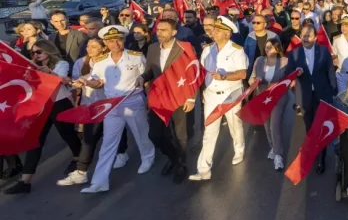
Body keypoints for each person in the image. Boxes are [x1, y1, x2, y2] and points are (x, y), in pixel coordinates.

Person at [73, 26, 154, 194]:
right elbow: (98, 81)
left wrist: (148, 100)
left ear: (123, 40)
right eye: (110, 41)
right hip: (112, 105)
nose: (115, 43)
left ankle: (147, 157)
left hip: (132, 102)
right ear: (105, 43)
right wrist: (86, 82)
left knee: (141, 134)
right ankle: (99, 182)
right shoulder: (102, 61)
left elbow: (146, 77)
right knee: (108, 144)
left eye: (118, 39)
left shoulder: (136, 56)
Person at [4, 40, 82, 194]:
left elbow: (60, 78)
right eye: (33, 53)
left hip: (59, 102)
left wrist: (48, 72)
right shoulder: (31, 67)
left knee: (68, 135)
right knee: (36, 140)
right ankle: (25, 181)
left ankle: (79, 160)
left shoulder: (61, 63)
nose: (35, 55)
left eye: (38, 52)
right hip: (42, 106)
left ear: (48, 50)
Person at [58, 38, 127, 186]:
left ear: (103, 48)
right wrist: (71, 82)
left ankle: (121, 152)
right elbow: (76, 83)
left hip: (108, 104)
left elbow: (107, 82)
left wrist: (87, 80)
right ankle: (81, 172)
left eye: (94, 46)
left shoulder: (108, 62)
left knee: (114, 132)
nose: (89, 49)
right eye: (88, 46)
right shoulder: (80, 62)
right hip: (90, 105)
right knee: (89, 139)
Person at [190, 17, 248, 181]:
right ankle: (204, 169)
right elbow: (202, 73)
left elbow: (243, 73)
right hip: (211, 96)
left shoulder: (237, 50)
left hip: (231, 94)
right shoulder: (207, 49)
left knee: (234, 125)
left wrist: (225, 76)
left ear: (227, 34)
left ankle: (239, 149)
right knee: (209, 131)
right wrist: (203, 90)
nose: (212, 32)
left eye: (217, 30)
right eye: (213, 29)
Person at [140, 19, 196, 184]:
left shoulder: (184, 48)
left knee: (180, 135)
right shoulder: (152, 48)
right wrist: (142, 77)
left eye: (164, 30)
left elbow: (192, 73)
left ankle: (181, 166)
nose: (159, 32)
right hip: (160, 98)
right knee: (155, 134)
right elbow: (149, 70)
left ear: (174, 32)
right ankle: (174, 158)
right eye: (158, 29)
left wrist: (191, 98)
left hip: (180, 96)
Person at [286, 24, 338, 175]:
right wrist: (296, 72)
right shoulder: (294, 54)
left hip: (323, 94)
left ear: (315, 37)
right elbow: (289, 72)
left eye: (309, 35)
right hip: (305, 96)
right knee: (310, 128)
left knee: (320, 127)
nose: (305, 38)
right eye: (303, 35)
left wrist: (334, 91)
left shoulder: (323, 51)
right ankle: (314, 149)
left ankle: (321, 158)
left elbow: (330, 71)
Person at [249, 38, 290, 171]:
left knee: (274, 124)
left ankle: (278, 155)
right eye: (266, 47)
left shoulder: (284, 61)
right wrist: (256, 80)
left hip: (279, 97)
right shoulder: (259, 61)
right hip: (263, 97)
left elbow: (289, 80)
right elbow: (251, 79)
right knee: (266, 124)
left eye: (271, 47)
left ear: (278, 49)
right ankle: (273, 146)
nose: (268, 50)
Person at [49, 10, 86, 74]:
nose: (59, 24)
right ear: (52, 22)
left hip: (76, 70)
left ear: (67, 19)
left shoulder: (79, 35)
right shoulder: (51, 37)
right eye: (56, 21)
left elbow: (85, 54)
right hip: (58, 70)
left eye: (62, 20)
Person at [244, 14, 278, 81]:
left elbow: (279, 53)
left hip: (269, 69)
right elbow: (245, 54)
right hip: (253, 71)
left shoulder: (273, 36)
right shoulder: (250, 36)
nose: (255, 25)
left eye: (258, 23)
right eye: (253, 22)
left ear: (265, 25)